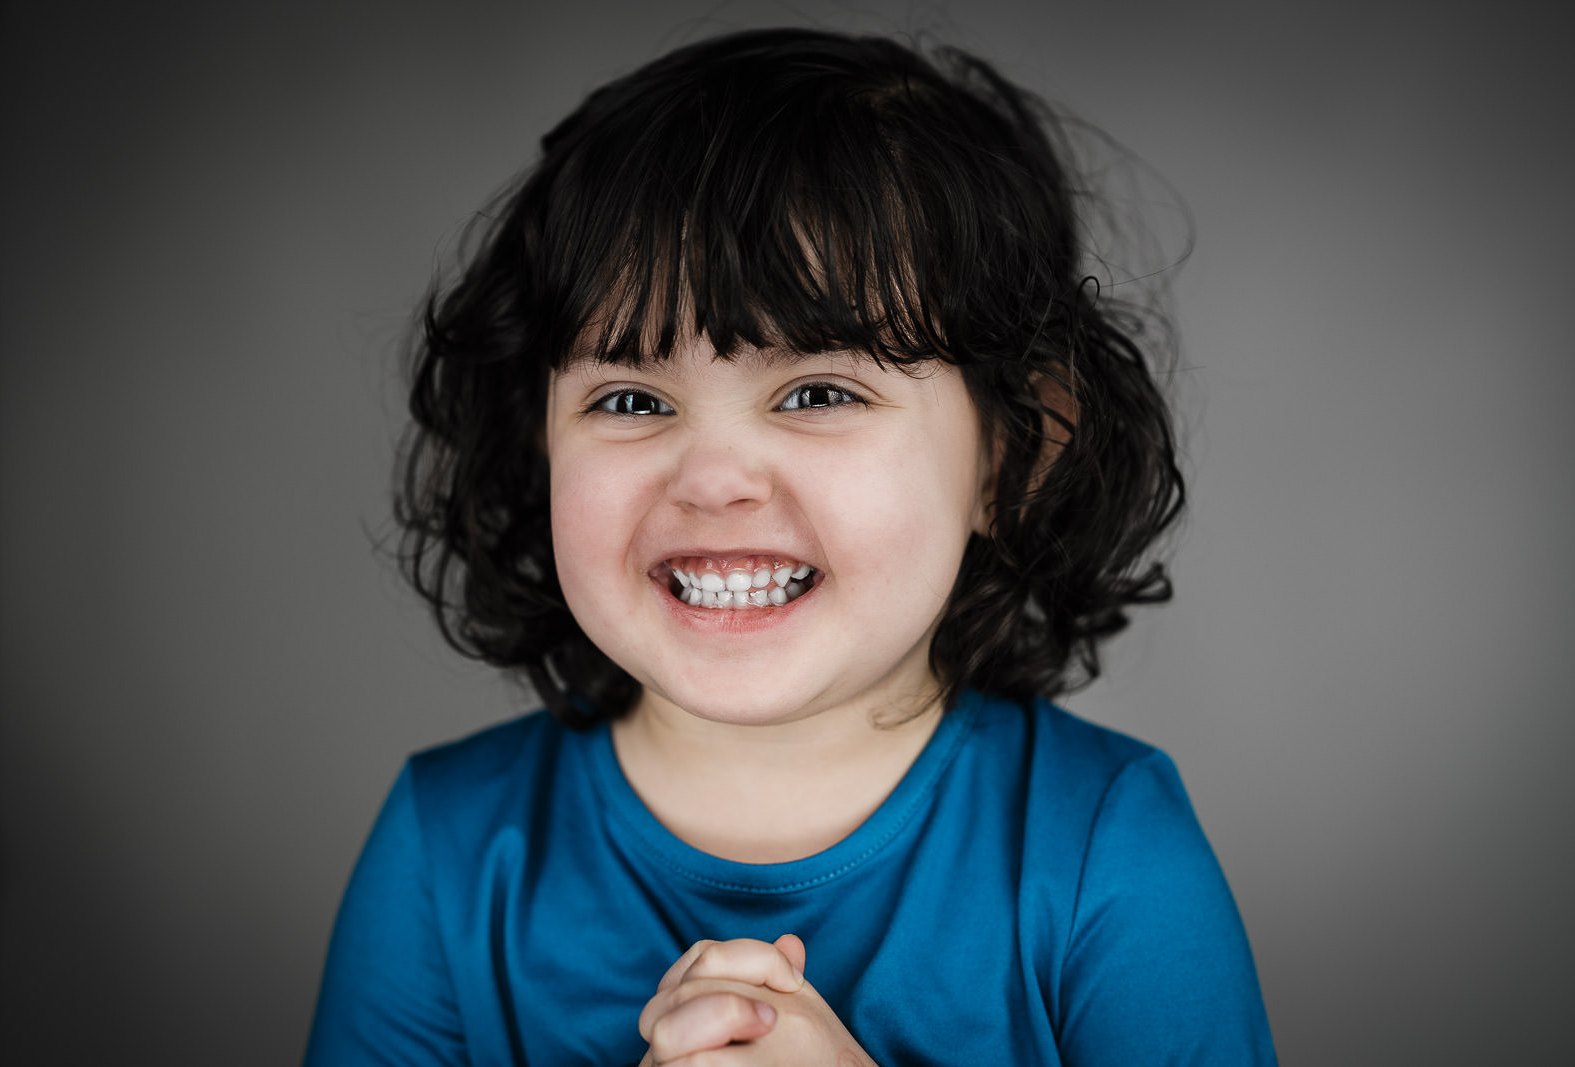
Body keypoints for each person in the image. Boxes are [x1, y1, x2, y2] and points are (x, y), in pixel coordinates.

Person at [305, 27, 1276, 1065]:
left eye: (818, 392)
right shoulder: (443, 852)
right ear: (535, 445)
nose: (714, 476)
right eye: (631, 398)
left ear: (1014, 454)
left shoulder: (1111, 852)